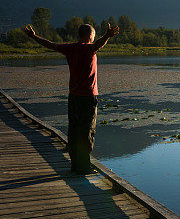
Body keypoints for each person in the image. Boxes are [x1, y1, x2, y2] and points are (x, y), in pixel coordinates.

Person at [24, 22, 119, 174]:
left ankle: (75, 165)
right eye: (93, 36)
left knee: (74, 130)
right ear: (89, 36)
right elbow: (98, 44)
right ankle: (84, 167)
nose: (94, 38)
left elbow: (50, 44)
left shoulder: (69, 48)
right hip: (88, 97)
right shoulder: (88, 49)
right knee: (87, 130)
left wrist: (34, 37)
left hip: (73, 96)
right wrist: (107, 35)